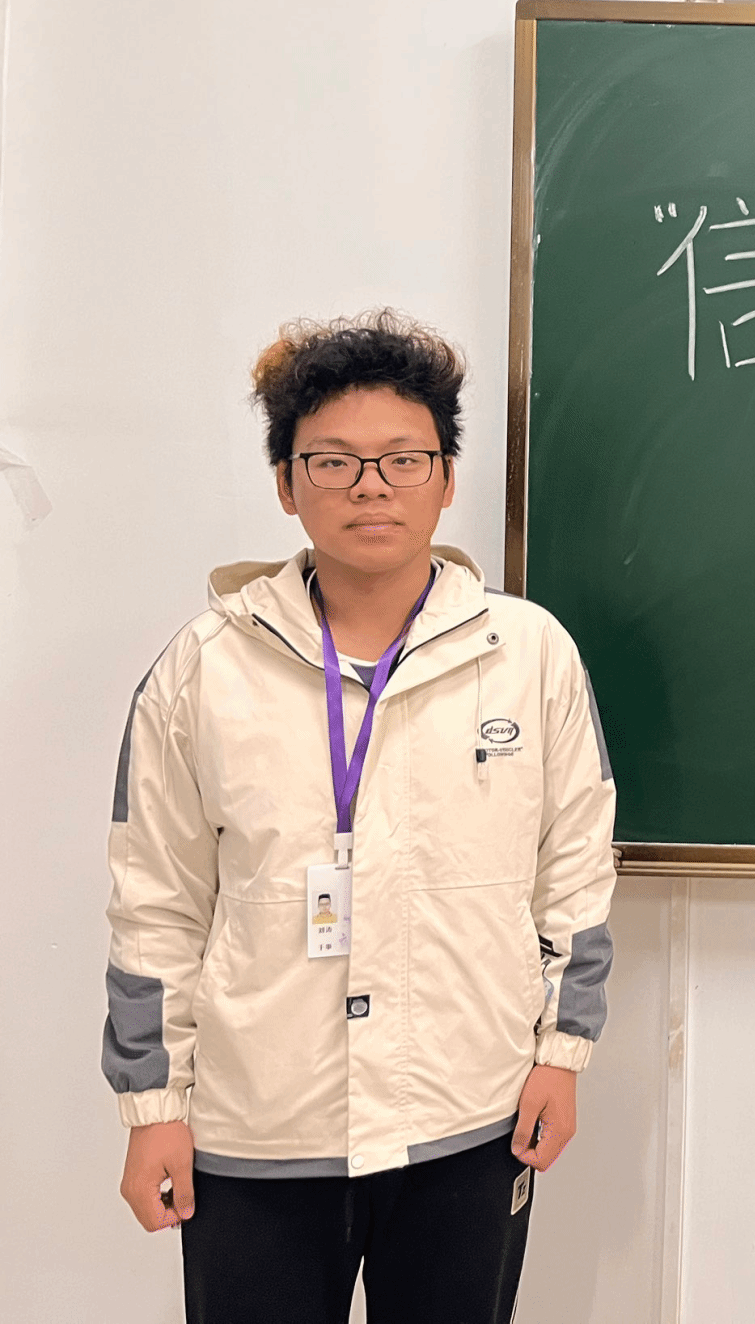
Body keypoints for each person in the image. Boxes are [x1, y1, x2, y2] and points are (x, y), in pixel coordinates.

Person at [101, 311, 617, 1323]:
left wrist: (562, 1055)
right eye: (333, 461)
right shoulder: (203, 669)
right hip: (258, 1129)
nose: (371, 486)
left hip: (469, 1113)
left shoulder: (528, 654)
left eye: (402, 459)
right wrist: (153, 1110)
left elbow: (576, 871)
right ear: (286, 484)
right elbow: (153, 902)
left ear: (447, 478)